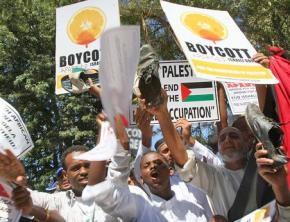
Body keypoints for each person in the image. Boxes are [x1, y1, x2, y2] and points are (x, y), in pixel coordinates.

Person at [82, 114, 213, 221]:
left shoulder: (195, 207)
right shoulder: (139, 208)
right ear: (141, 179)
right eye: (147, 165)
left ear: (170, 171)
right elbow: (99, 191)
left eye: (159, 163)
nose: (153, 166)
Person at [144, 89, 250, 218]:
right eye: (222, 138)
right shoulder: (215, 177)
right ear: (219, 148)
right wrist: (162, 113)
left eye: (234, 136)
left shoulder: (262, 169)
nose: (227, 140)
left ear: (247, 143)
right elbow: (183, 159)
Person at [0, 147, 118, 221]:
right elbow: (23, 197)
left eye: (88, 166)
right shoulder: (57, 201)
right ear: (65, 175)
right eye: (76, 168)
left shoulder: (116, 196)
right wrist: (13, 179)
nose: (83, 172)